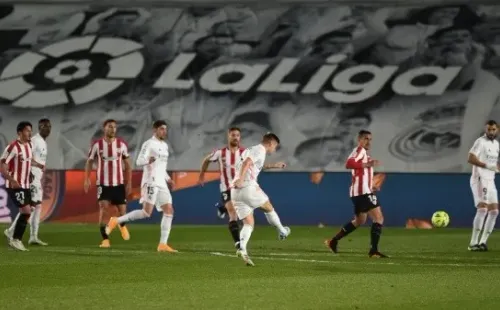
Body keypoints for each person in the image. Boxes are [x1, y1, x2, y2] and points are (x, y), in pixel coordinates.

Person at [105, 120, 177, 253]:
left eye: (165, 129)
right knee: (146, 213)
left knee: (169, 210)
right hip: (151, 181)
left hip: (162, 182)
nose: (164, 131)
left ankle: (162, 244)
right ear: (154, 130)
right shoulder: (149, 144)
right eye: (161, 129)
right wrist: (147, 160)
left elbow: (161, 166)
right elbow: (139, 161)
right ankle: (116, 220)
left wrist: (168, 179)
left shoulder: (165, 146)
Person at [324, 130, 388, 258]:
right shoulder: (359, 150)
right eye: (365, 139)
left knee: (360, 220)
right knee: (378, 218)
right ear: (359, 140)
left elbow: (360, 174)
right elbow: (349, 164)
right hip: (362, 192)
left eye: (370, 139)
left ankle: (333, 241)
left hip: (360, 192)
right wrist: (368, 164)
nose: (368, 141)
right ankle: (374, 250)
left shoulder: (364, 154)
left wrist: (372, 186)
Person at [232, 132, 290, 266]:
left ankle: (242, 248)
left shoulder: (250, 150)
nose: (274, 149)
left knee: (248, 223)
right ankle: (282, 231)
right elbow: (247, 163)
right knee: (268, 207)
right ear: (271, 143)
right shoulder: (260, 150)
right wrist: (241, 180)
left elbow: (253, 165)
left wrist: (274, 165)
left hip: (235, 191)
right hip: (247, 187)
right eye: (275, 146)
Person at [84, 119, 132, 248]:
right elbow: (89, 161)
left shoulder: (121, 144)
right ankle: (105, 239)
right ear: (104, 128)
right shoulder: (97, 145)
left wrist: (129, 182)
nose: (113, 129)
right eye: (110, 127)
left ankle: (121, 225)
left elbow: (127, 164)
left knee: (122, 212)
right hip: (103, 184)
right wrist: (86, 178)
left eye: (115, 127)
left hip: (118, 183)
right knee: (104, 209)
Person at [5, 118, 51, 245]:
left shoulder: (42, 142)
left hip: (36, 177)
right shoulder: (34, 141)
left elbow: (31, 158)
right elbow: (25, 158)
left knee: (34, 206)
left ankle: (30, 235)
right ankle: (15, 232)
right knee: (30, 207)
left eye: (49, 126)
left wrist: (40, 167)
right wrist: (29, 174)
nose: (47, 128)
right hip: (30, 178)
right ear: (39, 127)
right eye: (44, 126)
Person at [198, 127, 245, 250]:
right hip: (226, 187)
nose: (235, 137)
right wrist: (202, 175)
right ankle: (238, 243)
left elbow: (256, 164)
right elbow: (206, 160)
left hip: (241, 187)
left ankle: (222, 208)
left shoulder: (245, 152)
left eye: (237, 135)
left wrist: (274, 165)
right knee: (233, 213)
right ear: (228, 136)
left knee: (241, 209)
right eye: (233, 135)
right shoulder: (220, 153)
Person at [0, 121, 33, 251]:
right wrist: (11, 180)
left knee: (28, 211)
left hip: (26, 184)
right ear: (20, 132)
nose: (30, 133)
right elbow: (3, 165)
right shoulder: (12, 147)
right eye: (27, 131)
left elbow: (29, 160)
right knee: (26, 211)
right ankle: (16, 239)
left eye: (30, 130)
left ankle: (11, 233)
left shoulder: (29, 145)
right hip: (15, 185)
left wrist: (38, 165)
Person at [467, 120, 499, 251]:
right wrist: (486, 166)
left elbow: (494, 163)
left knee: (494, 211)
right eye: (489, 129)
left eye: (493, 129)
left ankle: (482, 242)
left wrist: (496, 167)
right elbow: (470, 158)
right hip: (480, 178)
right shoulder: (480, 142)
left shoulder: (496, 144)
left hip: (490, 180)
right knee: (482, 209)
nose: (491, 132)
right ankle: (473, 243)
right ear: (485, 129)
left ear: (497, 130)